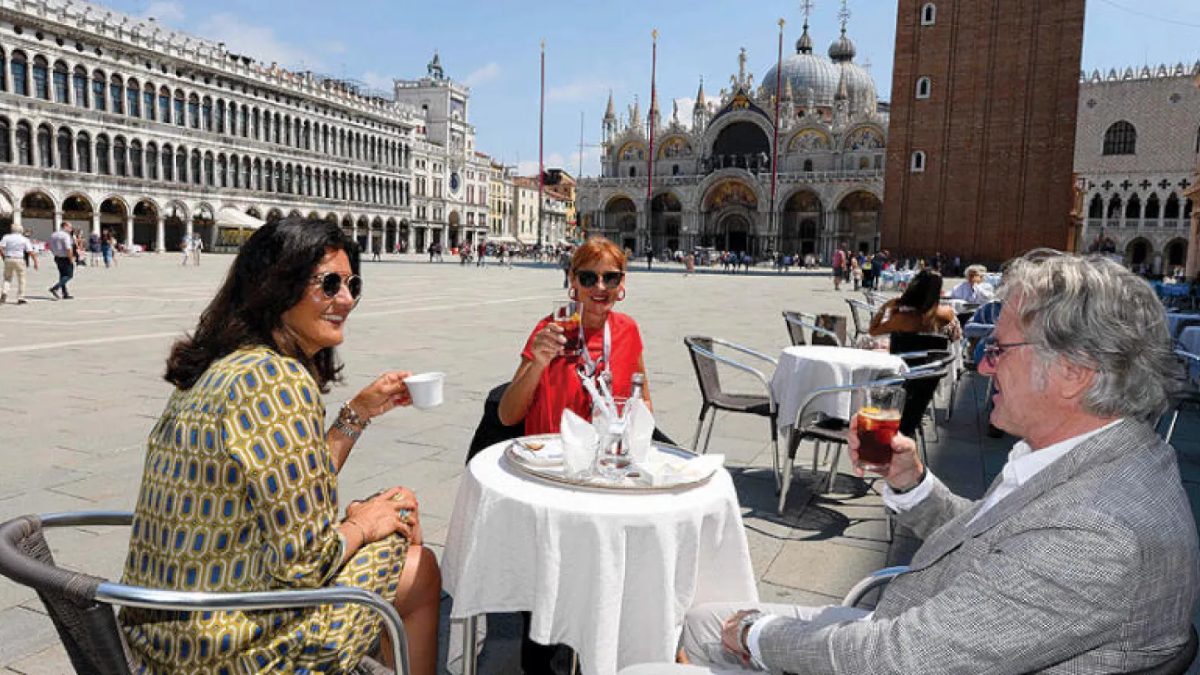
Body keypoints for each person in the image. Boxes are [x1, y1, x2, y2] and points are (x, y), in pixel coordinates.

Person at [629, 249, 1200, 674]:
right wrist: (914, 483)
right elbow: (994, 541)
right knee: (703, 622)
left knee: (656, 661)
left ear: (1075, 372)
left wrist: (758, 636)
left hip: (900, 646)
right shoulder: (1090, 456)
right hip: (926, 626)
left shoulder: (1099, 533)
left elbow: (898, 657)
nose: (981, 366)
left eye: (998, 350)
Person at [118, 218, 442, 675]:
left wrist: (357, 414)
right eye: (329, 284)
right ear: (277, 285)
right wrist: (364, 524)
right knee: (418, 559)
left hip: (161, 633)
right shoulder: (277, 381)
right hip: (226, 650)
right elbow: (307, 563)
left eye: (353, 284)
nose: (346, 299)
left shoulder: (222, 368)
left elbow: (285, 487)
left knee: (392, 526)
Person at [498, 237, 652, 673]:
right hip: (552, 476)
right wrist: (538, 362)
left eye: (610, 277)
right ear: (572, 283)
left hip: (604, 477)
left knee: (606, 583)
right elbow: (509, 414)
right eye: (588, 277)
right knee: (546, 594)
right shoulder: (549, 329)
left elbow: (643, 405)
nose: (599, 287)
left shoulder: (628, 332)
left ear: (622, 284)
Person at [868, 269, 962, 342]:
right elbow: (956, 339)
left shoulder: (901, 319)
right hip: (936, 363)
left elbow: (873, 331)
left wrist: (885, 306)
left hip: (907, 362)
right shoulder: (948, 313)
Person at [1, 223, 38, 304]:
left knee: (7, 278)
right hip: (19, 259)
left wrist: (3, 256)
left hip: (8, 258)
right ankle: (21, 297)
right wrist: (35, 262)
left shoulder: (6, 237)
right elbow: (30, 251)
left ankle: (4, 292)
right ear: (21, 230)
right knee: (21, 279)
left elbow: (1, 248)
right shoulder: (24, 239)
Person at [47, 223, 76, 300]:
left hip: (57, 257)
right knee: (69, 275)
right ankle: (55, 288)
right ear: (65, 227)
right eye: (70, 227)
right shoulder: (65, 236)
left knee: (62, 275)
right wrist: (71, 258)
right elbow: (68, 248)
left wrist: (55, 254)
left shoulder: (53, 235)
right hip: (65, 257)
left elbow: (50, 246)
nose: (71, 229)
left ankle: (65, 293)